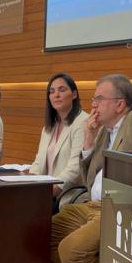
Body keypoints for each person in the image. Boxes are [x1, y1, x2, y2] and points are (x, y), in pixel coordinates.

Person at [50, 74, 132, 263]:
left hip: (118, 206)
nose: (93, 105)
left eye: (99, 99)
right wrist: (88, 139)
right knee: (41, 236)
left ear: (120, 104)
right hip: (91, 205)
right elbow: (87, 180)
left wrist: (127, 190)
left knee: (70, 251)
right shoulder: (103, 131)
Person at [29, 73, 89, 203]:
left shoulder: (83, 122)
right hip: (45, 191)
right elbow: (38, 162)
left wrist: (52, 189)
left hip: (67, 192)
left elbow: (75, 168)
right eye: (52, 91)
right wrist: (29, 182)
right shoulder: (49, 126)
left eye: (62, 90)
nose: (56, 95)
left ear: (74, 94)